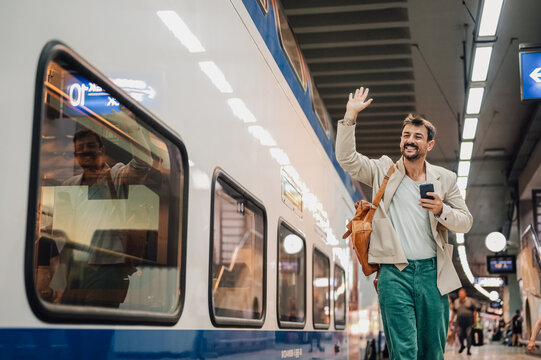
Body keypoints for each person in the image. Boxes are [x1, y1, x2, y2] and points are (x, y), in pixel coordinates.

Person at [336, 87, 473, 359]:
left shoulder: (445, 179)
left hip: (432, 274)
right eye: (406, 135)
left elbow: (466, 222)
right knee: (405, 350)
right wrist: (350, 116)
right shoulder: (383, 170)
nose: (410, 140)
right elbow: (347, 159)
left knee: (432, 351)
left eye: (417, 137)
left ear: (429, 145)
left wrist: (442, 209)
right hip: (393, 273)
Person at [449, 288, 478, 355]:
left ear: (465, 293)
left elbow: (474, 311)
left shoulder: (470, 301)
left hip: (469, 322)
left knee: (468, 336)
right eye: (459, 293)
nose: (460, 294)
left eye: (462, 293)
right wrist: (451, 320)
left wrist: (475, 321)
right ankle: (462, 345)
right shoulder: (456, 301)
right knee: (459, 335)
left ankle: (468, 350)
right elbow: (454, 312)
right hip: (460, 323)